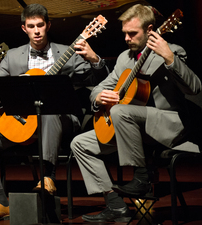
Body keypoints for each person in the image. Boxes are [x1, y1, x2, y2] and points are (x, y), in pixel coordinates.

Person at [0, 3, 108, 223]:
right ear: (24, 28)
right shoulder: (13, 57)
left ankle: (47, 178)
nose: (37, 30)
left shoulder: (67, 53)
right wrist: (9, 103)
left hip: (60, 121)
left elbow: (99, 81)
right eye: (31, 26)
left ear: (48, 25)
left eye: (40, 25)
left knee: (48, 108)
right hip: (23, 122)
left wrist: (94, 59)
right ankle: (0, 201)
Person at [70, 4, 201, 223]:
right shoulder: (124, 58)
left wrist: (169, 58)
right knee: (80, 144)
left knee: (121, 111)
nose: (127, 38)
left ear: (150, 30)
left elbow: (195, 88)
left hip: (165, 126)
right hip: (131, 129)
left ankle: (142, 177)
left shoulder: (173, 50)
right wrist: (100, 97)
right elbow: (99, 88)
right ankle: (115, 206)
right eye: (125, 33)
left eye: (133, 33)